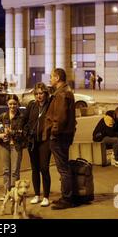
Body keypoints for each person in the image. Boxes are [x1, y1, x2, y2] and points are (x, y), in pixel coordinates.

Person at [45, 68, 77, 210]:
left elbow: (60, 118)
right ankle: (66, 196)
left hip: (59, 137)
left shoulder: (61, 94)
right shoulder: (66, 92)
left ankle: (67, 199)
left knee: (63, 168)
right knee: (64, 167)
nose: (50, 79)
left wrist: (53, 132)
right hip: (65, 135)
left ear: (57, 78)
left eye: (51, 77)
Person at [24, 82, 52, 207]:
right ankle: (37, 195)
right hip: (32, 141)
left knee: (44, 168)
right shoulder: (32, 105)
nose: (39, 96)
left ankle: (46, 196)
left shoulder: (50, 105)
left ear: (46, 94)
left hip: (45, 141)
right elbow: (25, 120)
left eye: (41, 93)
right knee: (35, 169)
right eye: (36, 94)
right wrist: (25, 131)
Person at [0, 95, 27, 201]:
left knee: (14, 171)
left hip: (16, 146)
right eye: (10, 104)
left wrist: (11, 132)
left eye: (14, 104)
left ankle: (14, 193)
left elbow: (23, 133)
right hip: (4, 146)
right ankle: (6, 193)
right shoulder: (2, 116)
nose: (12, 106)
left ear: (17, 104)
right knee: (6, 170)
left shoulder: (22, 117)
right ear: (7, 104)